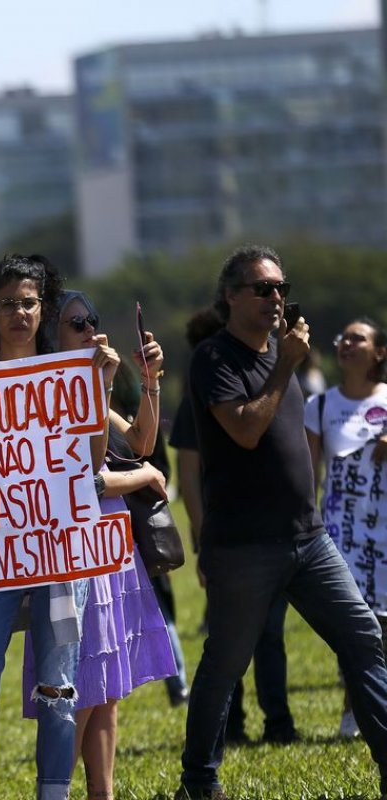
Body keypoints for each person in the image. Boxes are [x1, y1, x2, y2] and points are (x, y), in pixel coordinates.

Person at [178, 245, 387, 800]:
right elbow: (245, 430)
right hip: (245, 546)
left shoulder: (278, 353)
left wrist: (284, 361)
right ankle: (198, 780)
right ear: (231, 297)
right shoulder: (215, 359)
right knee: (226, 663)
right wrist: (287, 365)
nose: (277, 298)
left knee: (363, 637)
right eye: (263, 288)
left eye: (281, 288)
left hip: (308, 539)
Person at [0, 254, 113, 800]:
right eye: (7, 303)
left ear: (43, 309)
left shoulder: (69, 380)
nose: (18, 313)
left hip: (60, 553)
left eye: (28, 303)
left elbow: (92, 459)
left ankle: (53, 792)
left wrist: (99, 391)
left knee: (59, 687)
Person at [24, 290, 176, 800]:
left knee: (106, 689)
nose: (91, 330)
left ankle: (102, 794)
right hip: (71, 555)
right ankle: (56, 792)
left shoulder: (89, 393)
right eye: (77, 324)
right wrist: (146, 477)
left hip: (108, 554)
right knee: (78, 689)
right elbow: (85, 482)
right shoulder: (43, 399)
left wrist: (150, 382)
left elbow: (139, 443)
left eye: (93, 321)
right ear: (54, 338)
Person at [170, 307, 295, 743]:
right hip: (231, 538)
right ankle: (237, 726)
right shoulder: (202, 394)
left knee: (265, 637)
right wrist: (204, 540)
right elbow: (188, 473)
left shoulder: (269, 378)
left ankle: (276, 724)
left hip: (276, 532)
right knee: (233, 643)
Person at [305, 317, 387, 740]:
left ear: (379, 353)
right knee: (356, 625)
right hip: (342, 533)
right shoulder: (320, 407)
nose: (347, 343)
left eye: (359, 338)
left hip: (385, 530)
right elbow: (310, 474)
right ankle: (353, 708)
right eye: (343, 337)